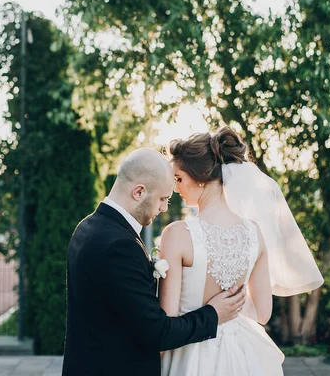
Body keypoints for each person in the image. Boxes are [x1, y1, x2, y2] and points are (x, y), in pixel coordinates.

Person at [62, 148, 246, 376]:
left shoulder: (88, 227)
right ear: (139, 192)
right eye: (163, 199)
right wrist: (213, 314)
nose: (164, 208)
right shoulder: (119, 245)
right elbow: (157, 332)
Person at [160, 127, 324, 376]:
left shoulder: (177, 235)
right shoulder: (254, 234)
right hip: (242, 356)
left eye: (179, 179)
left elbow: (166, 325)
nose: (175, 188)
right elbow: (263, 313)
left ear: (200, 177)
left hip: (189, 357)